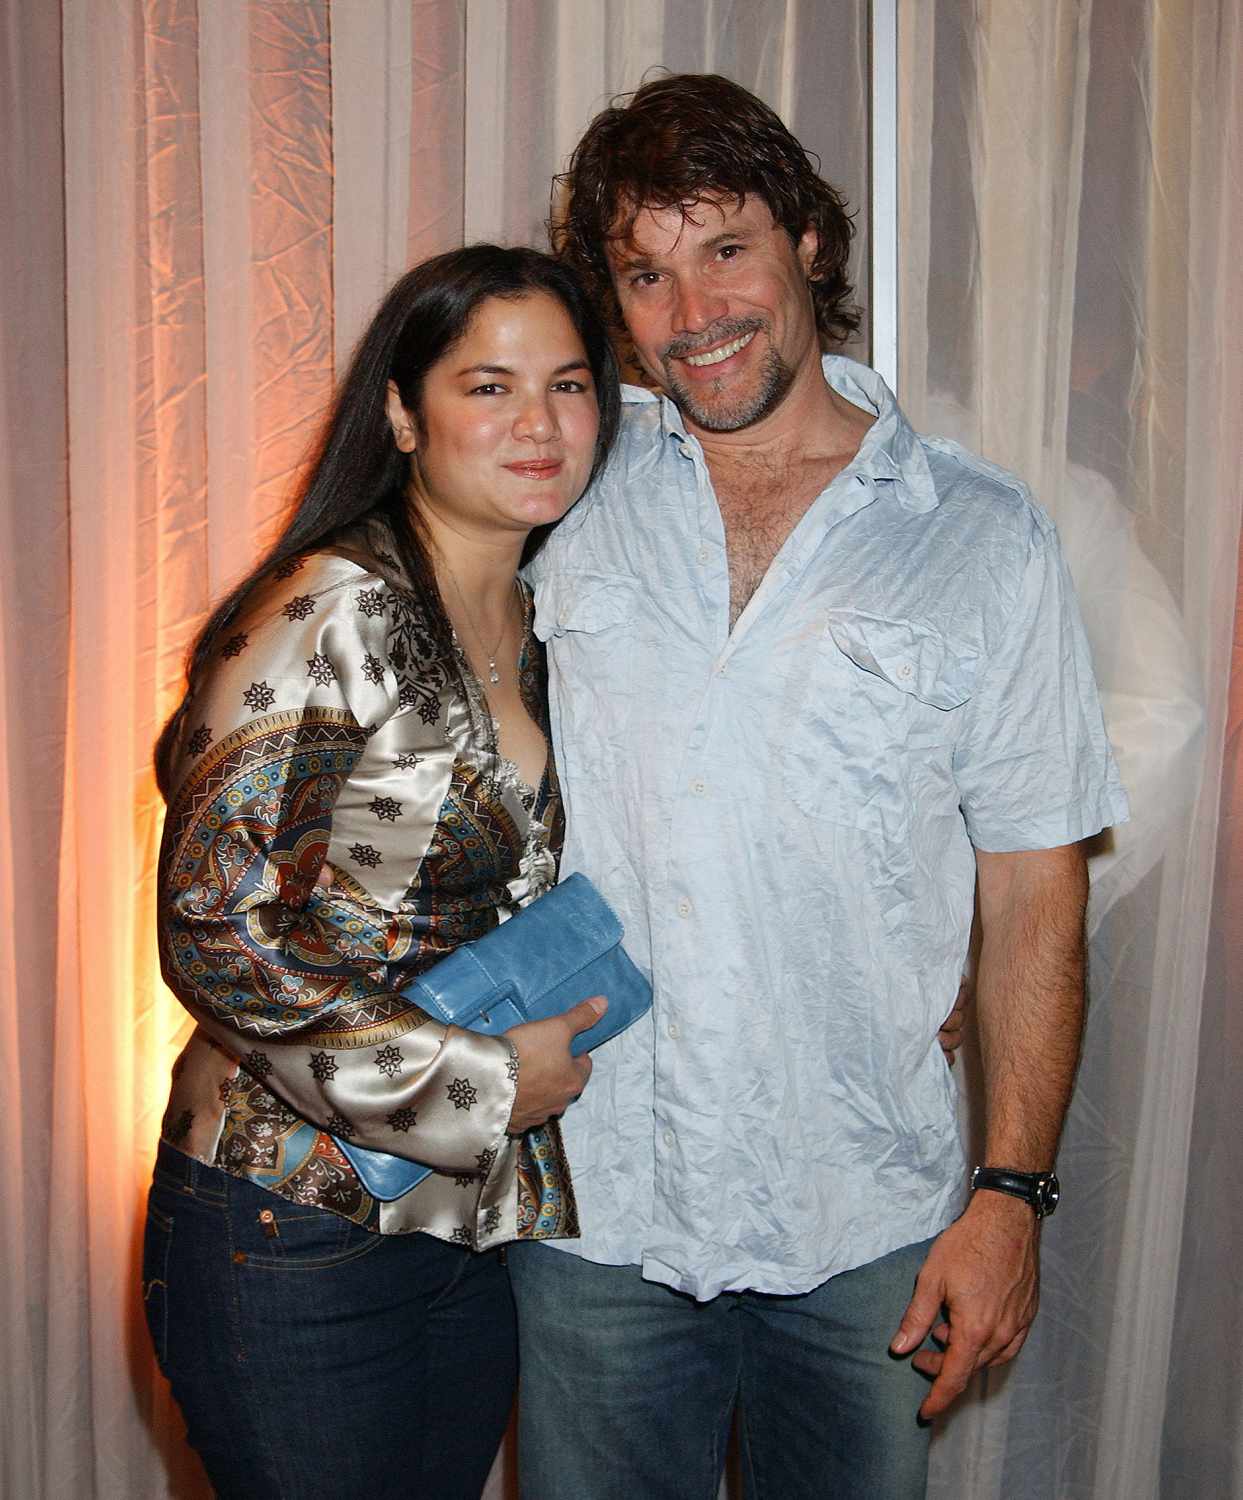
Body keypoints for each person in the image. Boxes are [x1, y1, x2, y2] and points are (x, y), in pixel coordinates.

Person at [507, 74, 1129, 1499]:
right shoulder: (562, 487)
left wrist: (1009, 1198)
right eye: (644, 274)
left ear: (806, 244)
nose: (691, 310)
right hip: (597, 1214)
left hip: (862, 1227)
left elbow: (1035, 890)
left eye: (723, 248)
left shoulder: (980, 538)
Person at [145, 244, 620, 1500]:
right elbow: (214, 927)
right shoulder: (336, 609)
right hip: (293, 1216)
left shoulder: (543, 610)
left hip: (466, 1225)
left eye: (569, 386)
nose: (539, 424)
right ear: (404, 413)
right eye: (489, 386)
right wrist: (471, 1087)